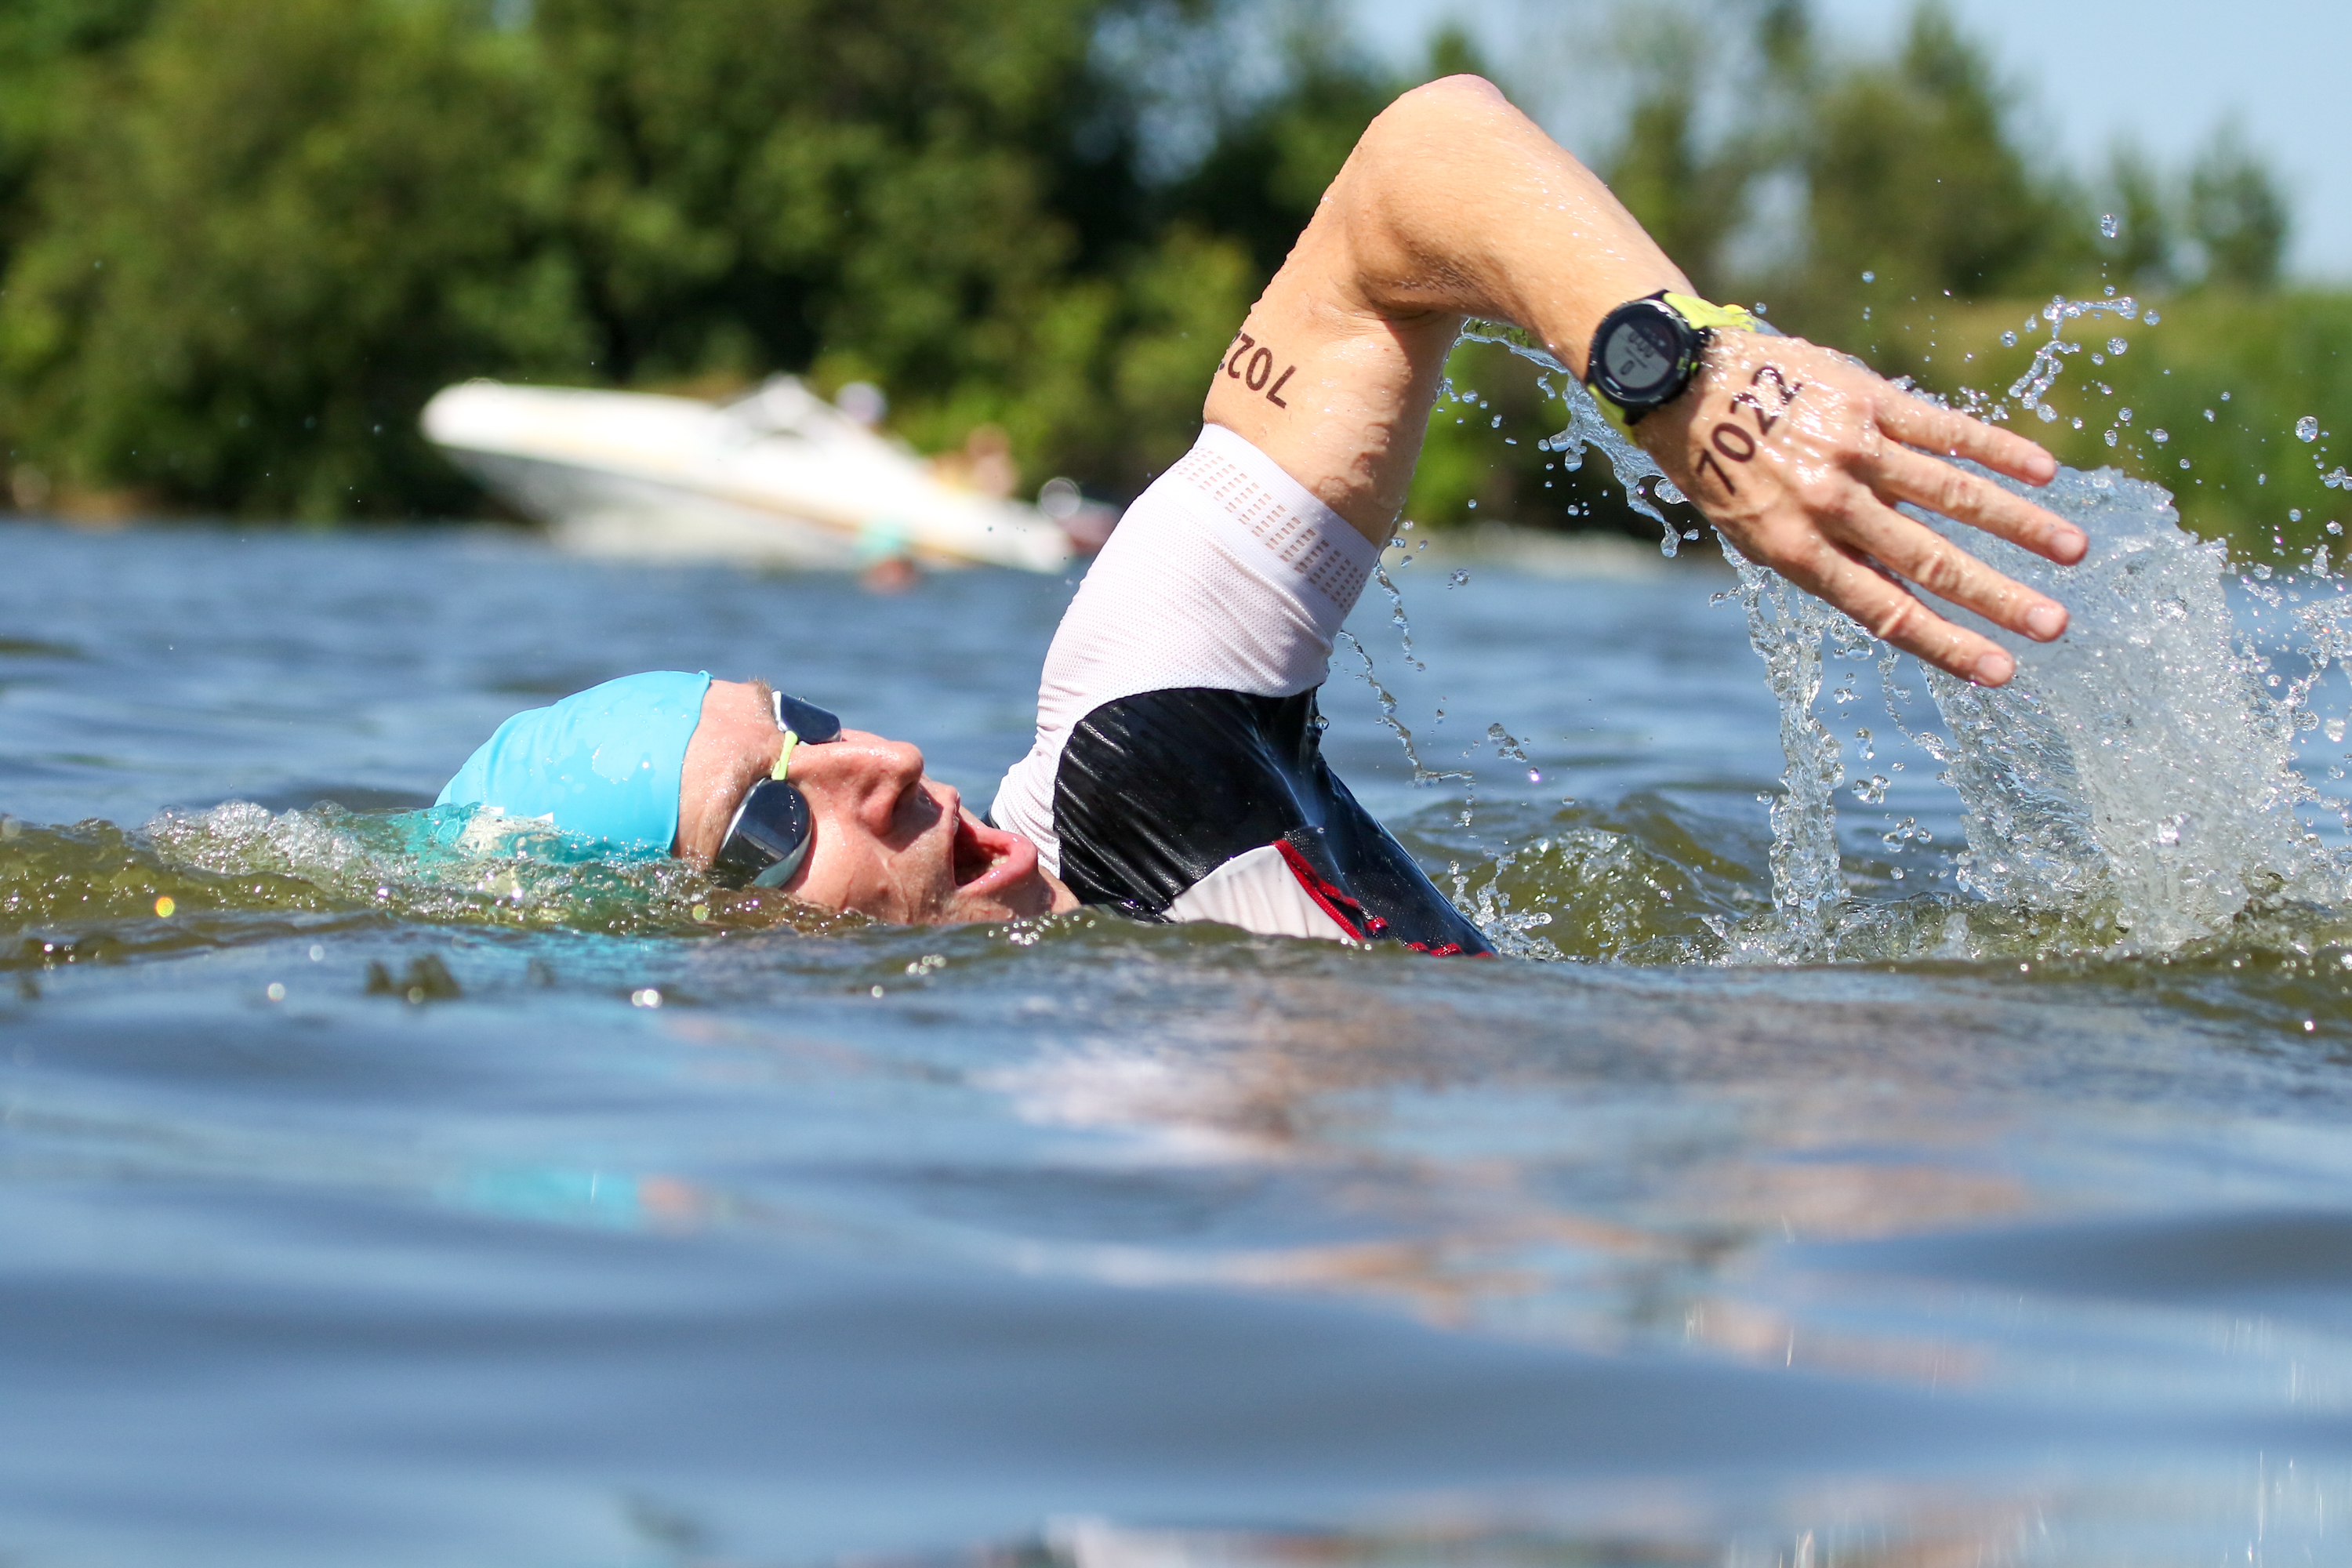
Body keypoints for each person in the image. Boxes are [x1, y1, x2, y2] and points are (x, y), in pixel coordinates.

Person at [437, 76, 2086, 951]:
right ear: (696, 958)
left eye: (806, 719)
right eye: (777, 821)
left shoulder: (1135, 735)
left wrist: (1677, 374)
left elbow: (1416, 173)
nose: (872, 765)